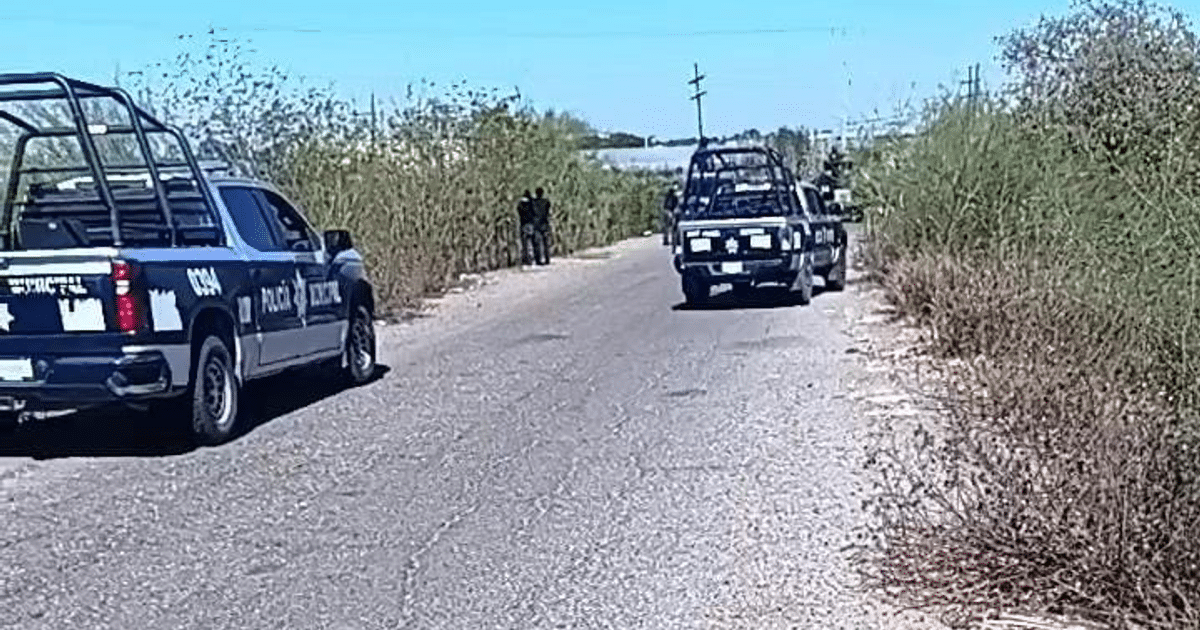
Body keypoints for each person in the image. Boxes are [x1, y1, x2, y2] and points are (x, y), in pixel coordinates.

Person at [531, 187, 552, 265]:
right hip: (544, 223)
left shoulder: (533, 202)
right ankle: (547, 258)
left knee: (537, 243)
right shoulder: (546, 202)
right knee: (546, 242)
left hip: (536, 224)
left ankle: (538, 259)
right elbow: (548, 212)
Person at [517, 189, 536, 265]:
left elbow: (519, 212)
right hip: (530, 224)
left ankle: (525, 257)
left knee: (524, 242)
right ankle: (530, 257)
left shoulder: (520, 204)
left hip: (523, 224)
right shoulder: (532, 203)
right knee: (530, 241)